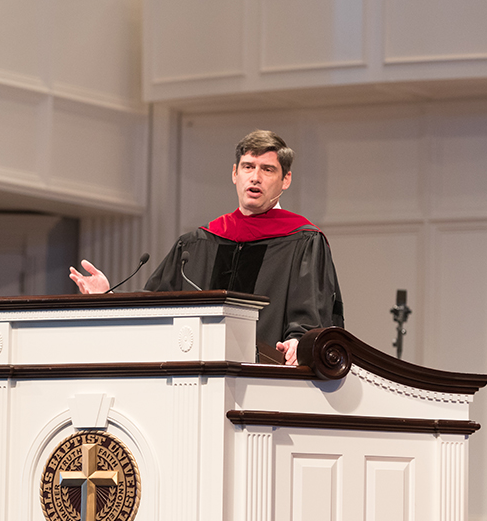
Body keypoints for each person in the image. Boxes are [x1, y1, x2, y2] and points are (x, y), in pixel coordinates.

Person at [70, 130, 344, 366]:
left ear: (285, 180)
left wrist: (301, 343)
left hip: (268, 381)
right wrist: (109, 296)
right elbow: (156, 307)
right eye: (248, 167)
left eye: (267, 169)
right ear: (235, 174)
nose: (256, 177)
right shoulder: (198, 243)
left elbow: (311, 314)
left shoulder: (303, 241)